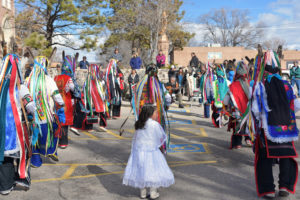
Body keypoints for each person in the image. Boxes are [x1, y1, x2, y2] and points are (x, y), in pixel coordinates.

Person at [250, 50, 299, 199]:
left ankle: (269, 189)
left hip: (269, 128)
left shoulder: (261, 86)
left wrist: (257, 122)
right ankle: (284, 186)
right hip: (287, 128)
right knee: (286, 157)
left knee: (265, 158)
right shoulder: (287, 85)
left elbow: (256, 110)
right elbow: (296, 105)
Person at [0, 54, 37, 195]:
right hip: (13, 132)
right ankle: (8, 185)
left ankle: (4, 185)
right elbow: (31, 106)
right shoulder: (21, 88)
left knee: (3, 156)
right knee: (12, 157)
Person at [123, 105, 175, 199]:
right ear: (150, 114)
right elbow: (160, 138)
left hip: (139, 152)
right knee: (153, 171)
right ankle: (153, 192)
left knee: (141, 171)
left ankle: (142, 193)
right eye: (155, 113)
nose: (157, 115)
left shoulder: (139, 124)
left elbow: (136, 139)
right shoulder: (154, 124)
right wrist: (161, 149)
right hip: (151, 152)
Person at [28, 56, 65, 168]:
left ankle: (35, 161)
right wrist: (62, 104)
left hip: (32, 117)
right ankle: (51, 151)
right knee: (50, 134)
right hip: (46, 116)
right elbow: (57, 96)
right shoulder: (49, 80)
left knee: (34, 138)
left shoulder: (28, 80)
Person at [223, 61, 252, 149]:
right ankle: (249, 139)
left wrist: (225, 108)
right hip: (248, 111)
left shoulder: (232, 86)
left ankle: (237, 143)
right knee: (249, 125)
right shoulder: (250, 84)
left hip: (237, 112)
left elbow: (226, 100)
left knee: (237, 126)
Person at [54, 54, 76, 149]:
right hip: (65, 102)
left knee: (57, 121)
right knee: (64, 123)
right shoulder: (69, 78)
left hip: (56, 103)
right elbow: (72, 88)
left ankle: (56, 141)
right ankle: (63, 142)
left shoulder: (56, 77)